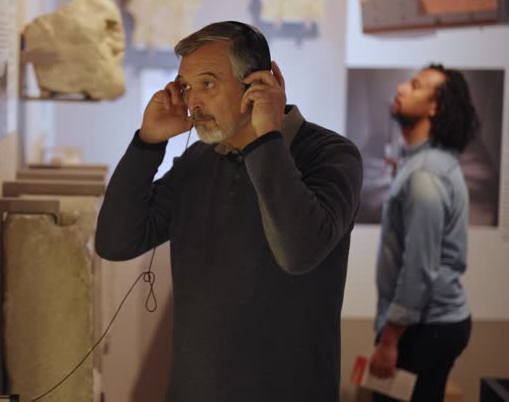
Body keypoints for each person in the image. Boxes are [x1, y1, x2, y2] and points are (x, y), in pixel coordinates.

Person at [94, 21, 363, 401]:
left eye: (208, 83)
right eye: (186, 86)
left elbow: (298, 252)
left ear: (258, 85)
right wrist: (147, 144)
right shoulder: (200, 160)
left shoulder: (331, 155)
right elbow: (115, 241)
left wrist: (266, 138)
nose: (192, 102)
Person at [370, 64, 477, 401]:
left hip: (423, 329)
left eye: (416, 86)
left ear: (436, 107)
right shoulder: (430, 162)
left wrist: (389, 340)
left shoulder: (425, 175)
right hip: (427, 325)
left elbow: (419, 267)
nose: (401, 88)